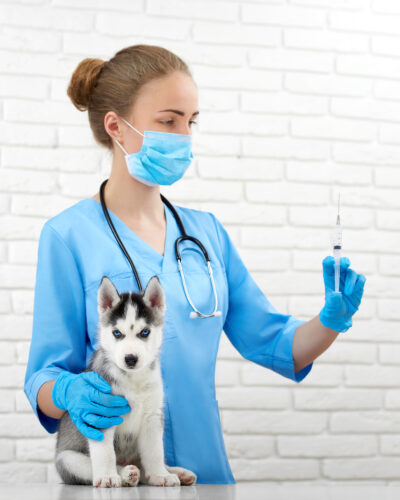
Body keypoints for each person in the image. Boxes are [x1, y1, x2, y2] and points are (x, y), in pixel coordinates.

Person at [24, 44, 367, 485]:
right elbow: (43, 380)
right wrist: (70, 392)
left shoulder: (205, 235)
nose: (183, 136)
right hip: (116, 481)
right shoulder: (67, 236)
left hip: (207, 477)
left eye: (191, 122)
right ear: (117, 127)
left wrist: (332, 320)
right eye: (168, 121)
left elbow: (279, 345)